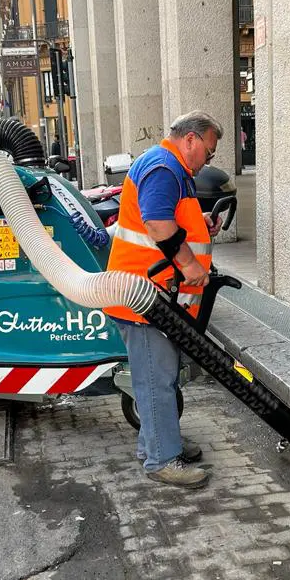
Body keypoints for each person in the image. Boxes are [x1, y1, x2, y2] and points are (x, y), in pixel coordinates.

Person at [104, 110, 224, 489]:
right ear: (190, 139)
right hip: (144, 298)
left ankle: (158, 443)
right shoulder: (163, 167)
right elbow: (157, 223)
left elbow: (166, 218)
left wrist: (199, 222)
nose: (208, 159)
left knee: (162, 377)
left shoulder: (169, 168)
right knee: (156, 380)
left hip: (153, 296)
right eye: (209, 150)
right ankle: (161, 460)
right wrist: (189, 266)